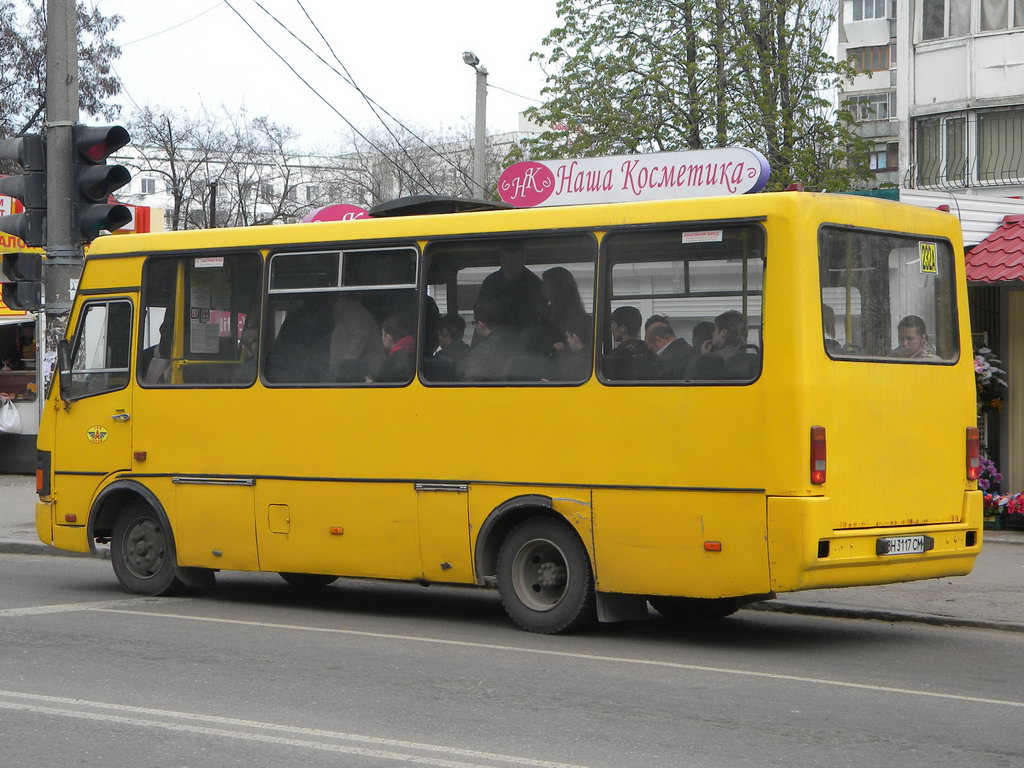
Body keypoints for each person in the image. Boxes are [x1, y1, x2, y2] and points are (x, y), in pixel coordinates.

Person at [477, 240, 545, 332]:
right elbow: (481, 314)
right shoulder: (490, 283)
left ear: (523, 258)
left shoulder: (534, 284)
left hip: (527, 336)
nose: (510, 265)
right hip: (495, 335)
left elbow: (541, 316)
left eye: (514, 261)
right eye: (506, 260)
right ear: (500, 258)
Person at [328, 294, 386, 382]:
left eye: (333, 305)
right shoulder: (348, 314)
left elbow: (359, 340)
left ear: (341, 300)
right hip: (348, 372)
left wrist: (344, 367)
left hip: (362, 373)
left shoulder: (358, 314)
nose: (333, 309)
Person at [465, 299, 522, 381]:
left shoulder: (479, 354)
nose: (474, 326)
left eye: (473, 323)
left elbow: (469, 388)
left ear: (480, 324)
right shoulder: (517, 343)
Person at [604, 306, 654, 380]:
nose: (611, 328)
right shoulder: (650, 349)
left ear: (622, 329)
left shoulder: (617, 354)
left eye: (613, 324)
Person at [375, 314, 416, 382]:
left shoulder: (390, 364)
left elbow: (380, 385)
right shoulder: (417, 353)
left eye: (382, 334)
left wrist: (371, 382)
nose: (381, 338)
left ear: (388, 338)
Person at [553, 312, 593, 381]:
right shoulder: (601, 360)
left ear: (574, 338)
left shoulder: (570, 366)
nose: (568, 341)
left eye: (568, 337)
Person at [430, 313, 470, 381]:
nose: (438, 338)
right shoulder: (471, 351)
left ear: (445, 332)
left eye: (438, 333)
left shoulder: (440, 357)